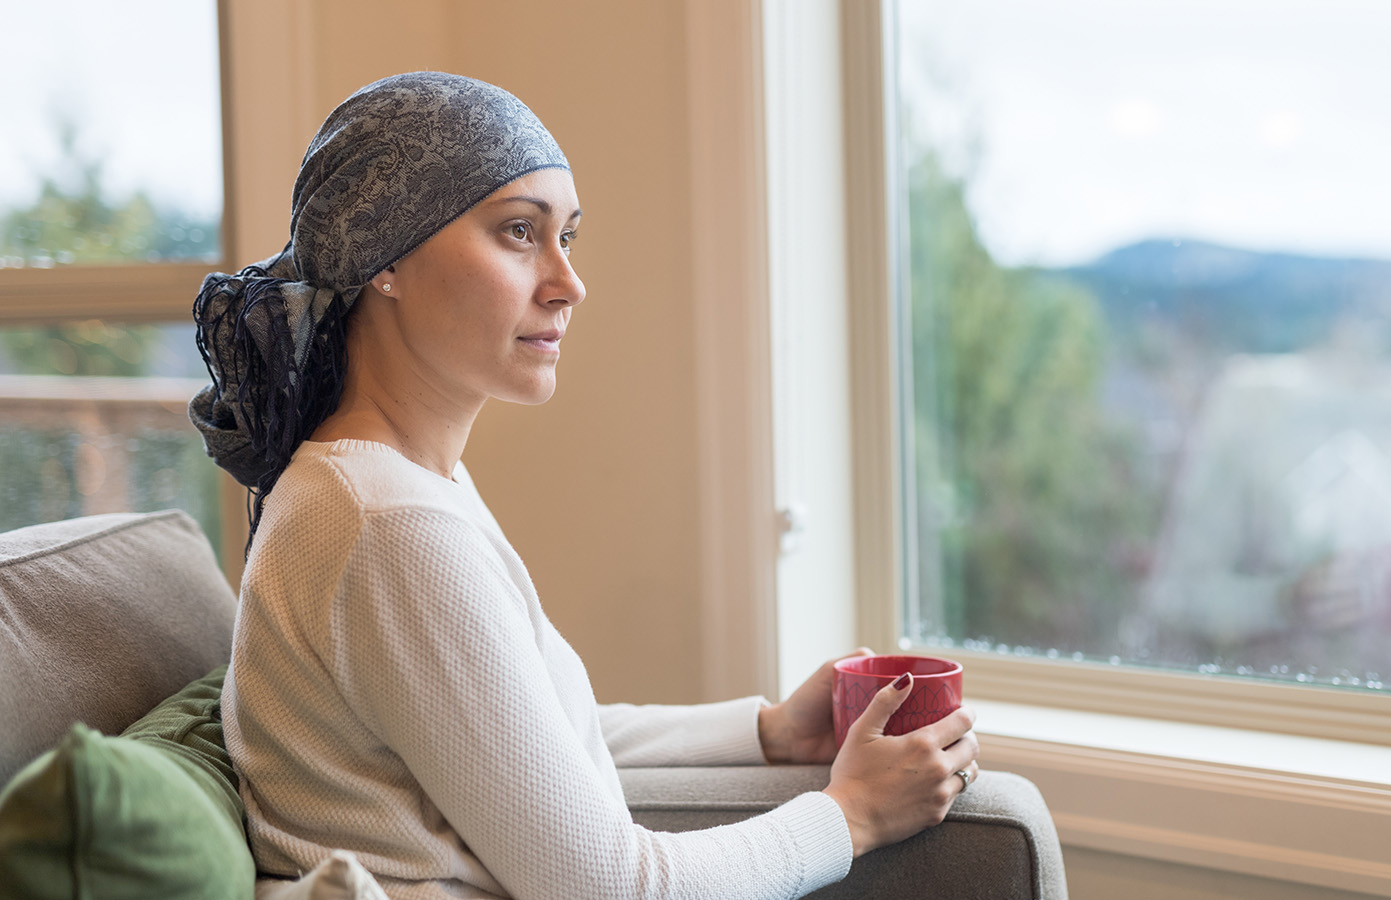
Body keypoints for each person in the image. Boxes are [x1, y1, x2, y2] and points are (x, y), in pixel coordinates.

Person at [189, 71, 979, 900]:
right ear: (381, 258)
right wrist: (850, 817)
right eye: (520, 232)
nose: (569, 282)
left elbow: (519, 742)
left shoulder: (396, 486)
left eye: (569, 236)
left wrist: (770, 732)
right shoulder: (385, 525)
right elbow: (612, 888)